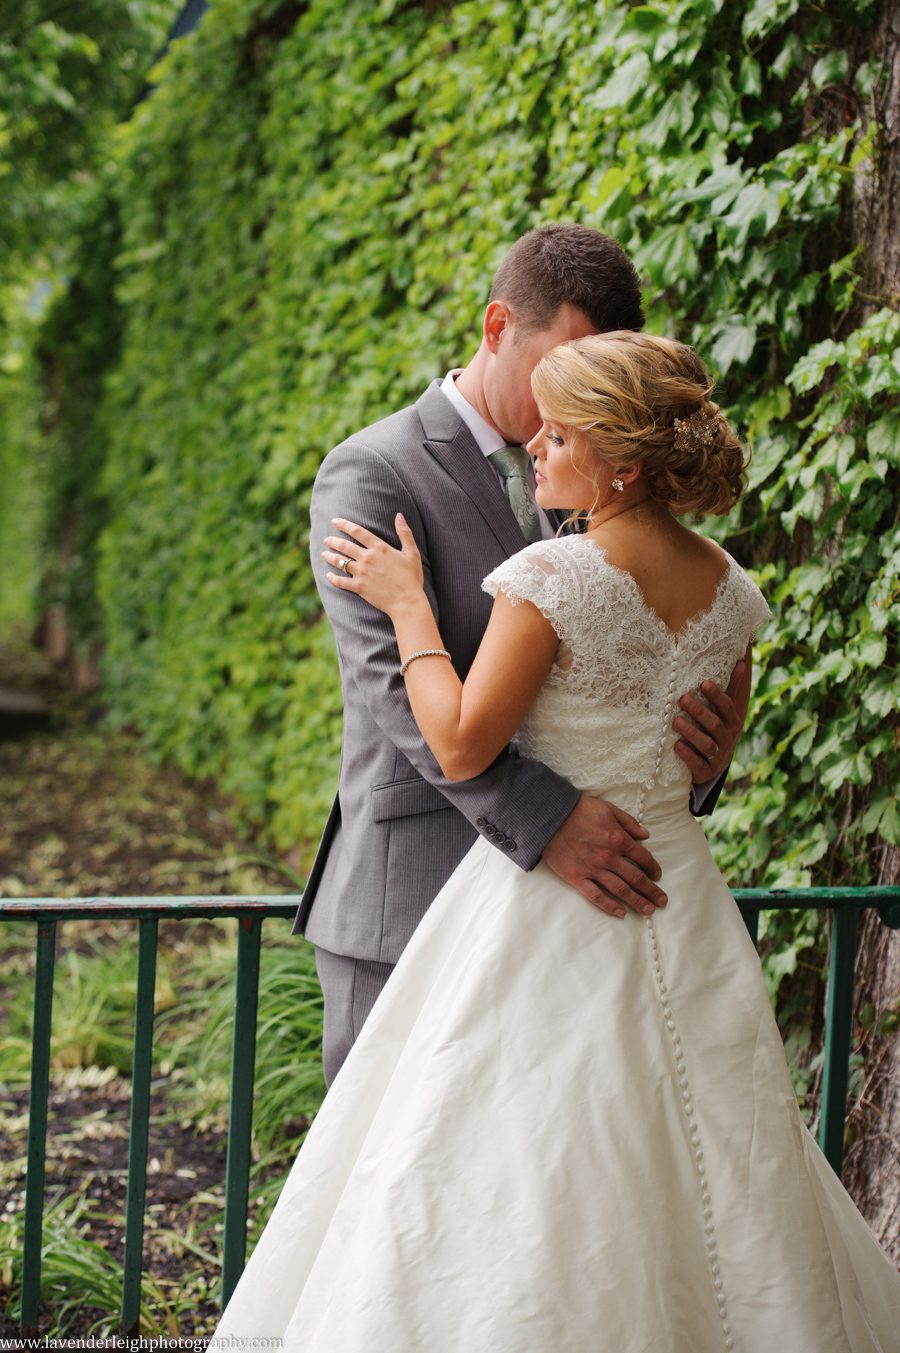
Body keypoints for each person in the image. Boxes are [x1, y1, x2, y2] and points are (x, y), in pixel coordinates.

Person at [215, 333, 900, 1350]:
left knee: (518, 1165)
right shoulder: (733, 591)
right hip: (682, 903)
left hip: (542, 915)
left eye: (560, 435)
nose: (536, 446)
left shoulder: (554, 575)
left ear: (619, 461)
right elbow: (698, 758)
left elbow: (457, 740)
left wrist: (408, 607)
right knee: (699, 1162)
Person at [294, 224, 746, 1086]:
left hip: (577, 925)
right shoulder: (372, 472)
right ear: (499, 325)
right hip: (413, 898)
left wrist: (697, 756)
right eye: (567, 362)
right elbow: (393, 689)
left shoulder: (595, 471)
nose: (578, 400)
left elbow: (633, 664)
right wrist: (550, 821)